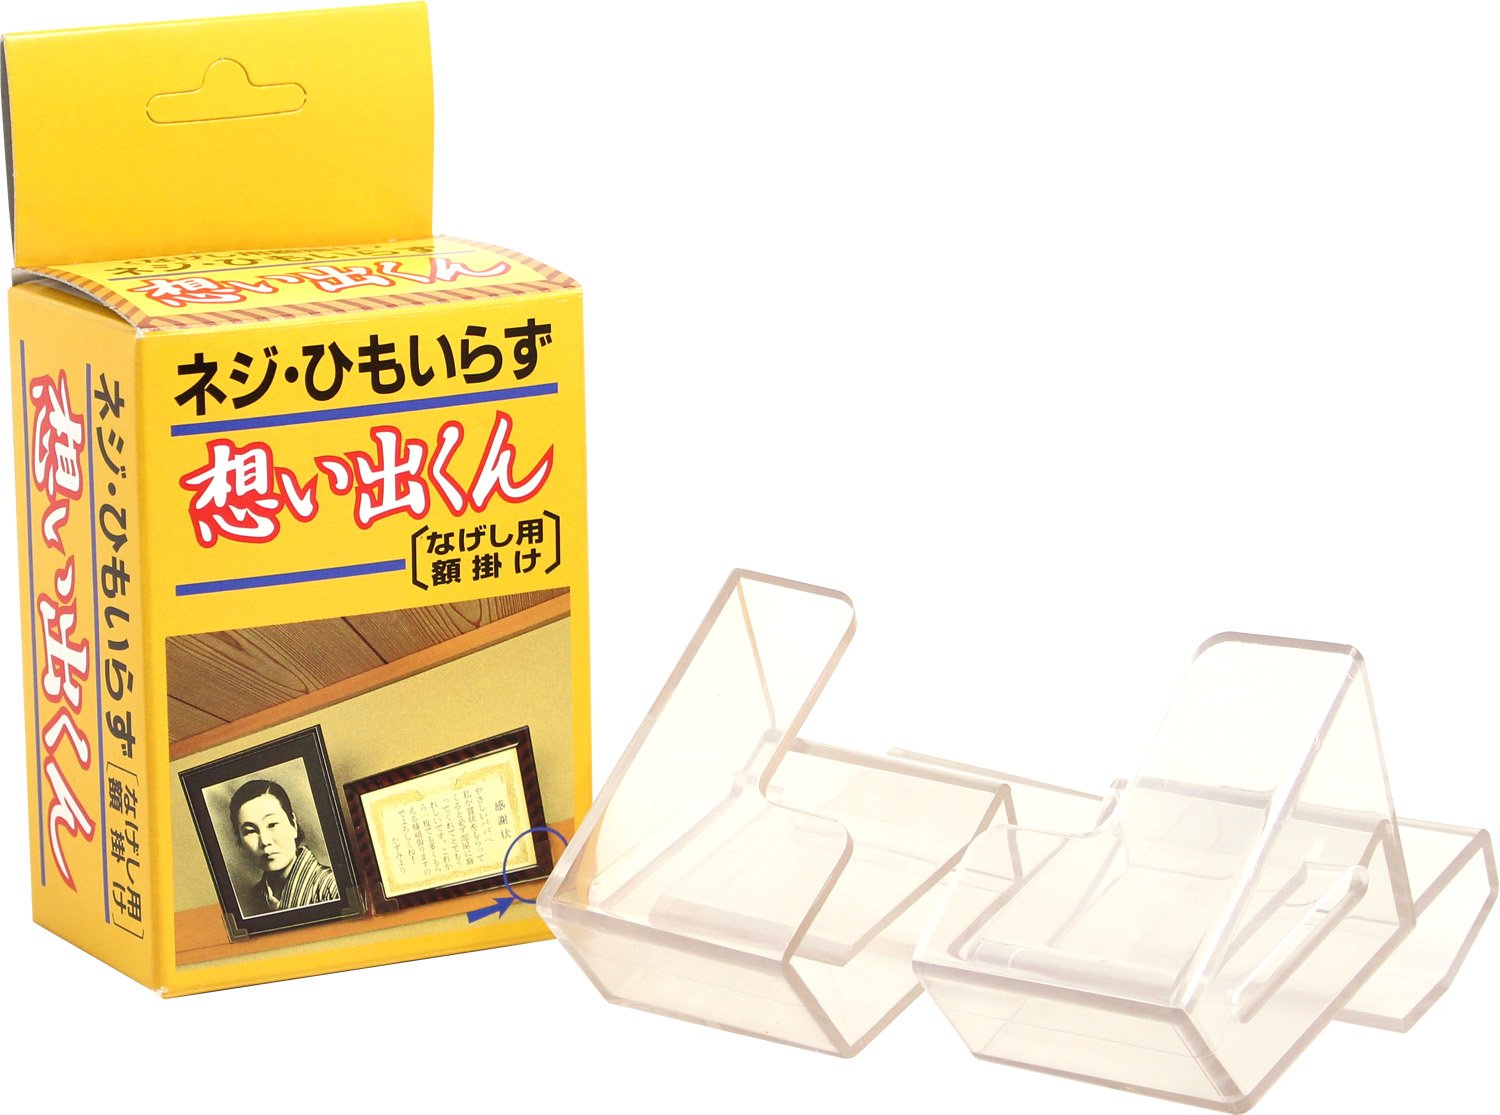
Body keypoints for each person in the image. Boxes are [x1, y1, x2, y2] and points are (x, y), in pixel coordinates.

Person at [228, 778, 340, 914]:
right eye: (250, 831)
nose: (265, 841)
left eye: (272, 825)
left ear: (293, 824)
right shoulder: (255, 897)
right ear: (240, 841)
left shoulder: (332, 886)